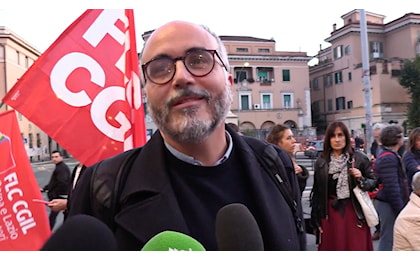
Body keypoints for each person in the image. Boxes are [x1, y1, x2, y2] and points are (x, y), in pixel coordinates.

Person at [68, 20, 306, 251]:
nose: (181, 77)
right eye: (160, 69)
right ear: (147, 93)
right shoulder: (101, 186)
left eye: (199, 60)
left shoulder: (276, 165)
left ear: (229, 82)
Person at [309, 121, 377, 250]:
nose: (337, 139)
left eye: (340, 135)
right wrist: (316, 220)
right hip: (329, 215)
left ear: (346, 137)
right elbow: (317, 192)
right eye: (333, 136)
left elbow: (373, 183)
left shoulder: (359, 158)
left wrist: (361, 178)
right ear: (328, 139)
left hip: (354, 212)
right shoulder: (321, 161)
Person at [373, 125, 409, 251]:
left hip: (386, 202)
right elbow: (392, 188)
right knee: (388, 238)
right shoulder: (389, 157)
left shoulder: (387, 154)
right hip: (387, 203)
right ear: (397, 139)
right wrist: (400, 208)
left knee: (391, 237)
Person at [266, 124, 309, 192]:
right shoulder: (270, 164)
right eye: (288, 138)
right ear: (277, 142)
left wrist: (301, 173)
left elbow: (297, 192)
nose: (294, 141)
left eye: (292, 137)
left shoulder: (290, 159)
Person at [41, 150, 71, 230]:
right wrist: (44, 188)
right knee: (58, 215)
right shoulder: (59, 167)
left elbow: (63, 182)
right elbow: (54, 182)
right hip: (60, 196)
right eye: (53, 157)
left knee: (54, 215)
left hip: (59, 196)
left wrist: (55, 194)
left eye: (56, 157)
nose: (54, 159)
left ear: (62, 157)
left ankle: (48, 231)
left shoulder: (61, 169)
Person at [369, 122, 388, 241]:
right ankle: (378, 228)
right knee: (374, 206)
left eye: (379, 136)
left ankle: (383, 230)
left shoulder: (389, 145)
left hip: (386, 178)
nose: (377, 139)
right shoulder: (375, 145)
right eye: (375, 137)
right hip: (377, 178)